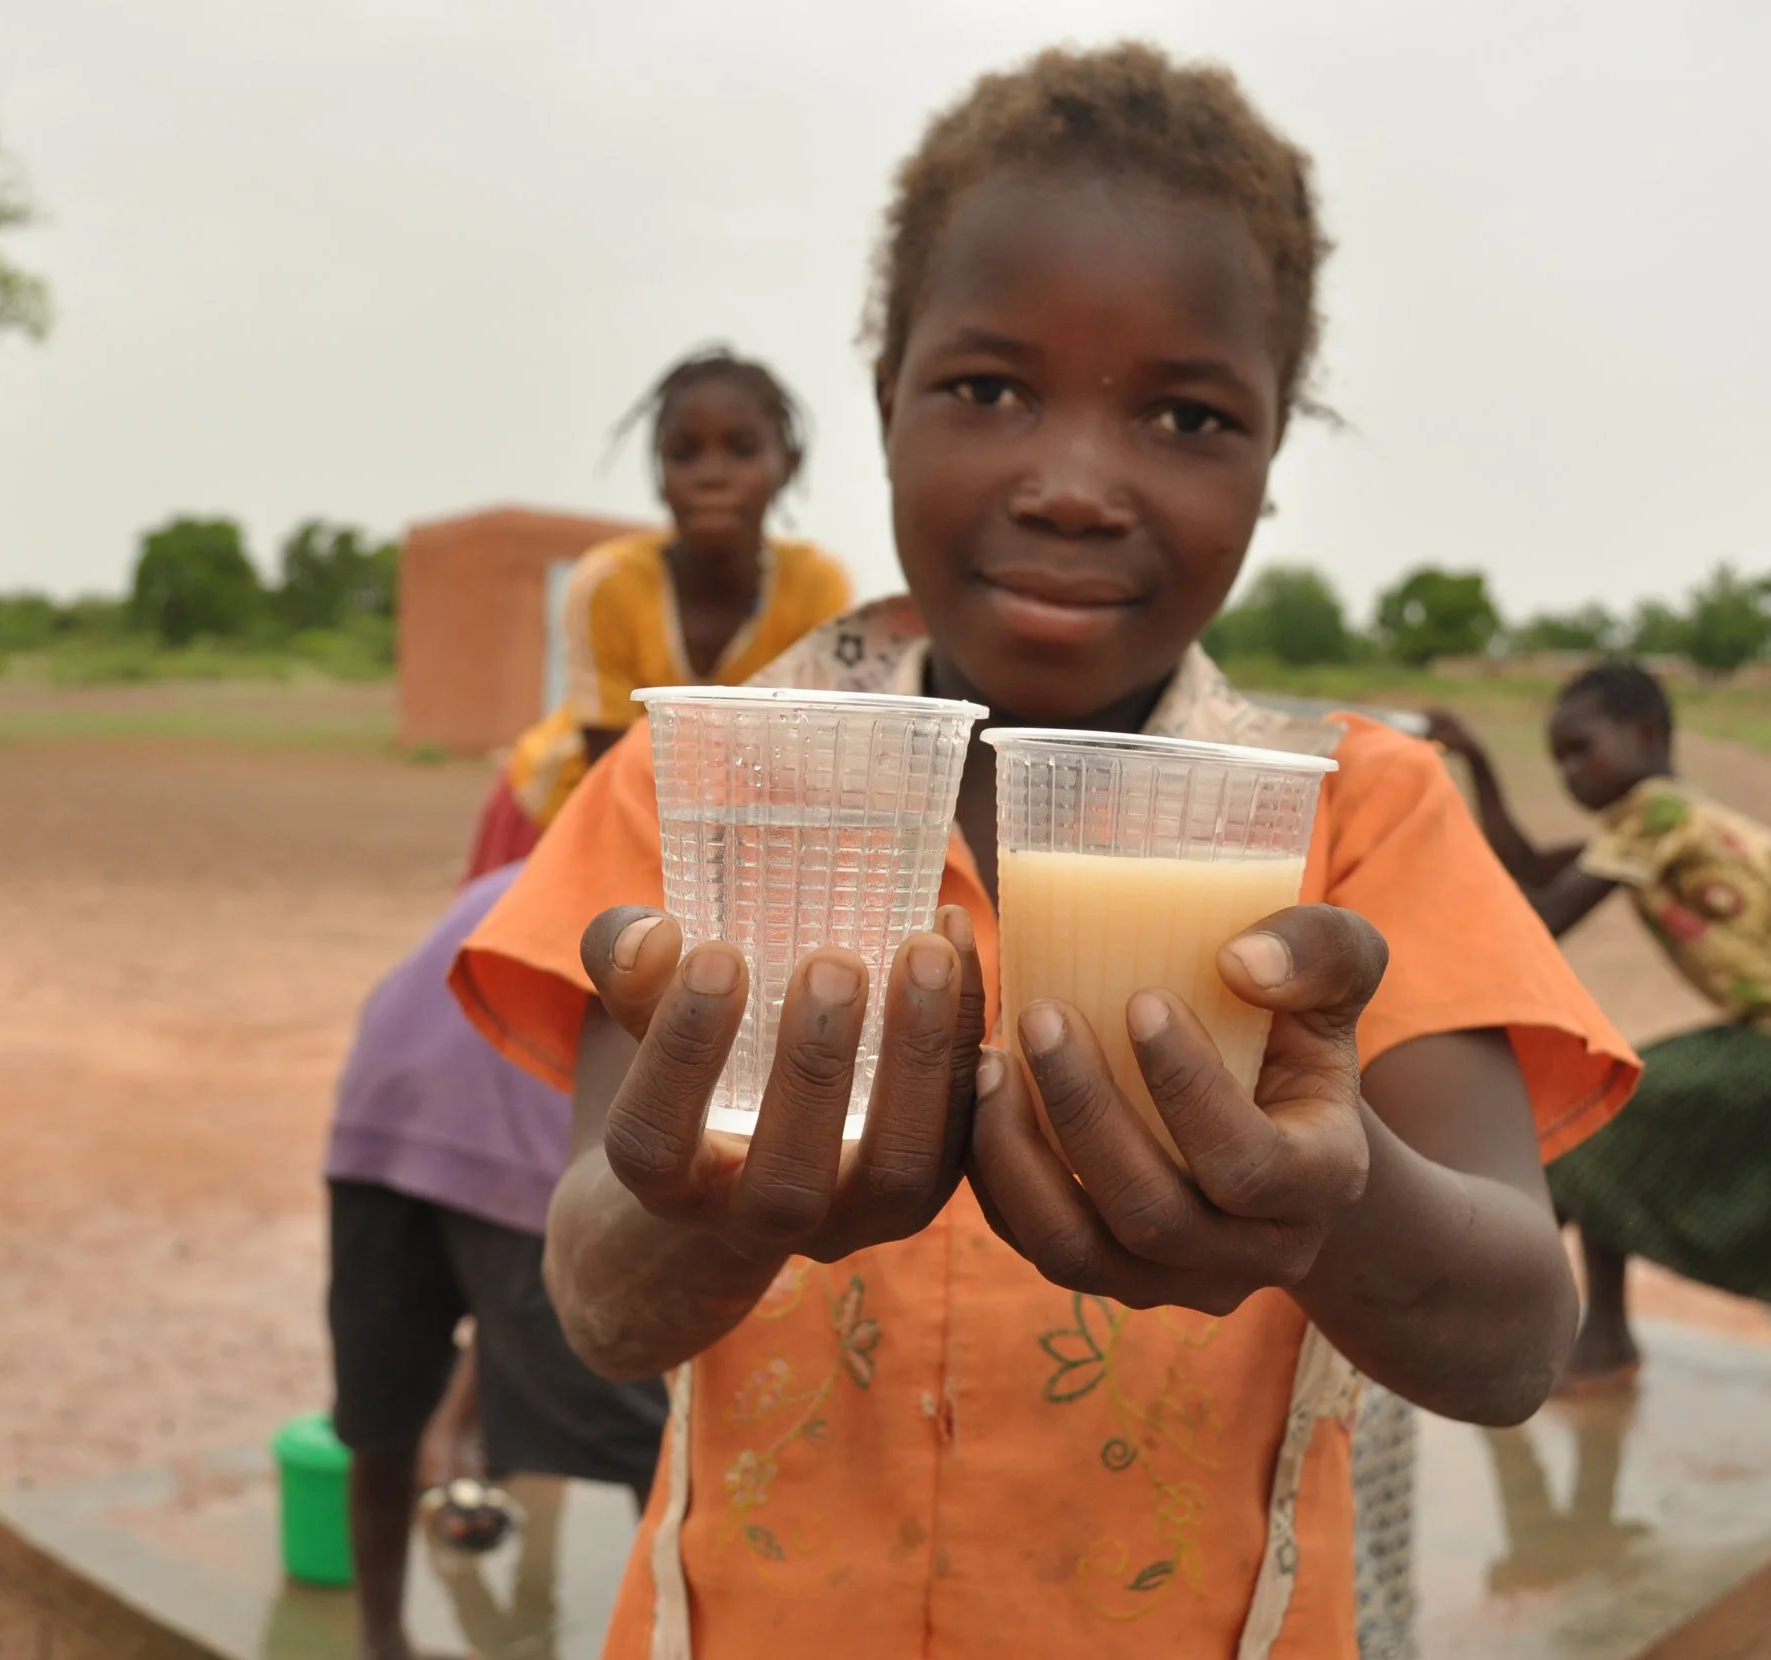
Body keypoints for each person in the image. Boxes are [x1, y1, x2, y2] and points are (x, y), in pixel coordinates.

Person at [451, 43, 1638, 1660]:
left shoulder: (1359, 813)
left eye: (1185, 412)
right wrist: (709, 1212)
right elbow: (598, 1299)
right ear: (884, 407)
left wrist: (1333, 1208)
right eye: (989, 389)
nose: (1075, 486)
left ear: (1274, 457)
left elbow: (1513, 1342)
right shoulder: (707, 786)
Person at [1428, 663, 1771, 1392]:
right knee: (1606, 1118)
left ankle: (1551, 1335)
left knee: (1596, 1125)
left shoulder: (1654, 816)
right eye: (1557, 758)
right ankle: (1594, 1333)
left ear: (1646, 734)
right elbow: (1532, 866)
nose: (1570, 772)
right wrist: (1476, 764)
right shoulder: (1662, 818)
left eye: (1581, 749)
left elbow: (1543, 918)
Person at [328, 863, 668, 1660]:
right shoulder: (658, 909)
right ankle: (665, 1639)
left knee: (382, 1416)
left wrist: (456, 1418)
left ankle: (379, 1643)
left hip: (376, 1119)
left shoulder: (524, 879)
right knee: (641, 1435)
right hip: (513, 1140)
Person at [465, 349, 853, 880]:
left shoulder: (816, 588)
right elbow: (612, 768)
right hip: (564, 815)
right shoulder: (609, 585)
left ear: (786, 465)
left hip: (720, 837)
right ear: (659, 473)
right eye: (684, 453)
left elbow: (805, 760)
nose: (712, 475)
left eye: (741, 449)